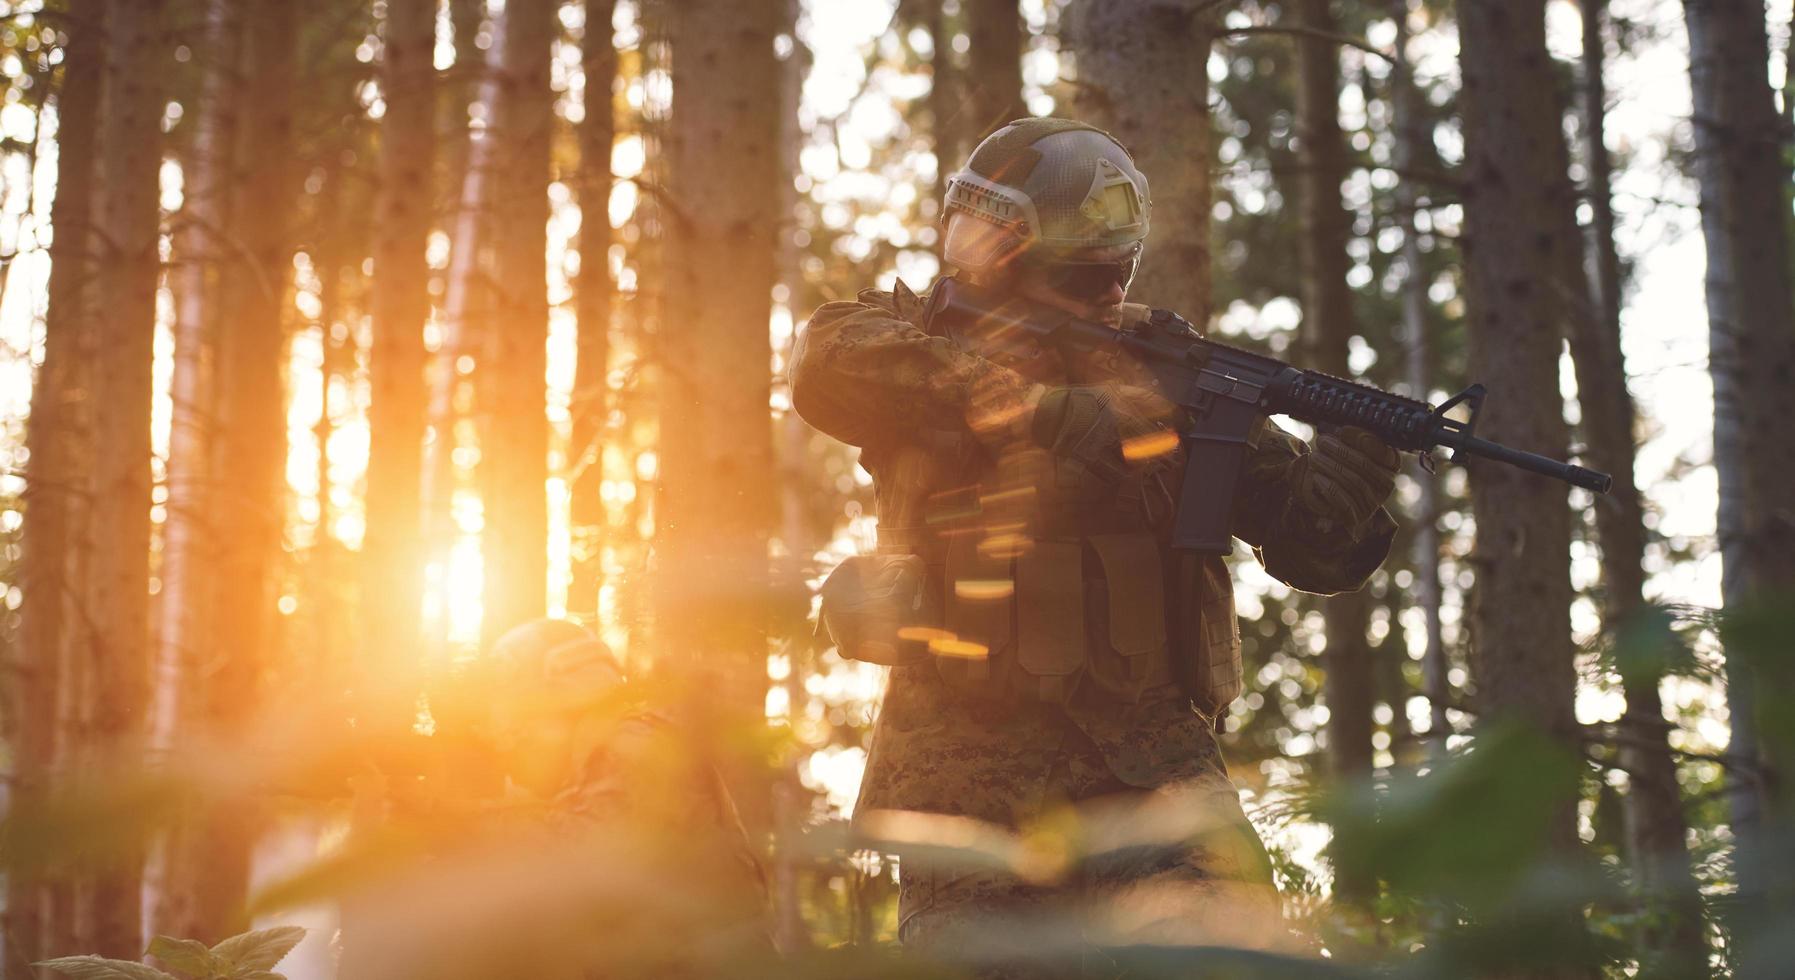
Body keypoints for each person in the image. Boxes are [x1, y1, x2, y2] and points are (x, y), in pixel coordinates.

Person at [789, 117, 1401, 969]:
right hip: (961, 779)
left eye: (991, 229)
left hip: (1153, 773)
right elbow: (828, 358)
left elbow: (1308, 551)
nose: (964, 247)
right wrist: (1041, 411)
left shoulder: (1168, 375)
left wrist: (1350, 474)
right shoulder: (919, 336)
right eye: (965, 221)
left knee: (1227, 959)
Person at [338, 619, 768, 978]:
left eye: (526, 721)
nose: (512, 743)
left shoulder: (636, 740)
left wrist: (448, 822)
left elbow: (584, 856)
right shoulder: (589, 772)